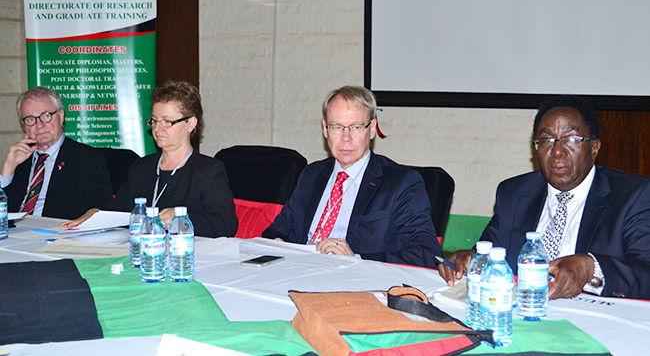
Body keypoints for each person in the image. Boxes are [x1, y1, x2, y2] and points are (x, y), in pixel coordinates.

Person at [440, 95, 650, 300]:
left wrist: (591, 267)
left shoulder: (632, 196)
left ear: (594, 147)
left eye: (571, 139)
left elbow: (645, 272)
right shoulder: (514, 193)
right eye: (546, 140)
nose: (557, 151)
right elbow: (490, 253)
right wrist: (469, 258)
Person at [262, 85, 441, 268]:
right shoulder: (312, 174)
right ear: (325, 129)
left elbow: (426, 254)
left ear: (372, 129)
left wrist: (356, 259)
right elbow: (276, 231)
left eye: (355, 127)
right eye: (337, 127)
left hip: (355, 283)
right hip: (297, 271)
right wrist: (278, 244)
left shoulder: (400, 184)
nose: (346, 138)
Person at [67, 80, 238, 238]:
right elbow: (118, 209)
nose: (157, 129)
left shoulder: (208, 170)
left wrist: (184, 219)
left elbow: (226, 224)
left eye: (166, 122)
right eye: (154, 121)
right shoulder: (142, 167)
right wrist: (97, 213)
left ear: (190, 123)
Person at [0, 86, 112, 220]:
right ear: (24, 126)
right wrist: (7, 170)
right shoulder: (21, 160)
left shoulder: (87, 159)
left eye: (46, 116)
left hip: (59, 235)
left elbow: (99, 210)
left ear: (61, 117)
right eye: (30, 119)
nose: (39, 125)